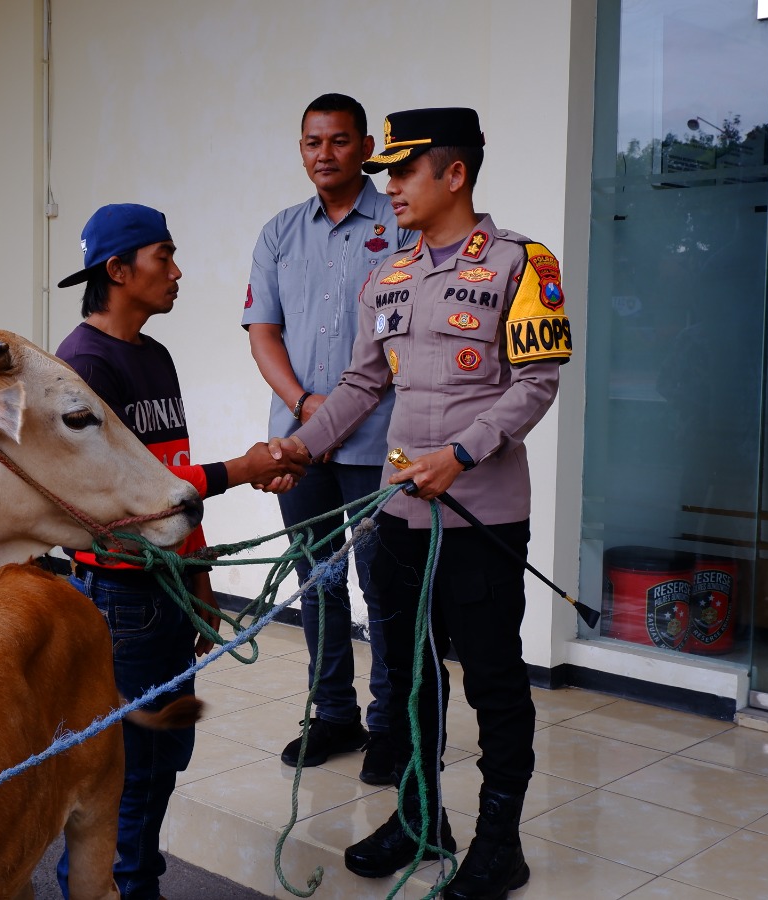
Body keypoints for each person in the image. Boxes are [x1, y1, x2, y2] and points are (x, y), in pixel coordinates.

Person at [270, 107, 571, 899]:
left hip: (483, 517)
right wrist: (300, 447)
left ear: (455, 174)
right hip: (399, 513)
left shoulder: (522, 263)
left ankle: (499, 843)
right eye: (390, 173)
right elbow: (365, 383)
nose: (389, 184)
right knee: (406, 673)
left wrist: (462, 453)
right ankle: (418, 815)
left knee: (494, 682)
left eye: (404, 170)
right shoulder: (391, 273)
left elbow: (536, 385)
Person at [53, 203, 302, 900]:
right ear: (118, 269)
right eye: (164, 256)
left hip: (166, 594)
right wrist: (244, 470)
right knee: (120, 778)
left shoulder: (153, 356)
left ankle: (140, 886)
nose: (177, 271)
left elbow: (173, 484)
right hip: (119, 602)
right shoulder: (84, 368)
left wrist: (200, 580)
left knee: (161, 762)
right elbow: (123, 503)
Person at [243, 93, 414, 784]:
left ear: (365, 147)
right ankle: (333, 713)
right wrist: (305, 405)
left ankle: (392, 726)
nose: (324, 154)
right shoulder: (279, 233)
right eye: (312, 142)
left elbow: (410, 336)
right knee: (318, 580)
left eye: (339, 141)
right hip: (299, 442)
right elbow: (263, 333)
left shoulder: (400, 225)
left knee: (384, 582)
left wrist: (335, 411)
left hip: (379, 437)